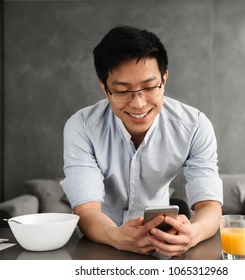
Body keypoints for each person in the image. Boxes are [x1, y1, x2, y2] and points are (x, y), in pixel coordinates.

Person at [61, 25, 223, 257]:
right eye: (123, 90)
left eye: (149, 87)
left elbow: (210, 205)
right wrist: (116, 236)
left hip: (163, 246)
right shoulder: (82, 127)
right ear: (105, 90)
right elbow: (86, 210)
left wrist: (193, 234)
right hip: (100, 243)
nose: (138, 104)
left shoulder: (195, 126)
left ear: (164, 79)